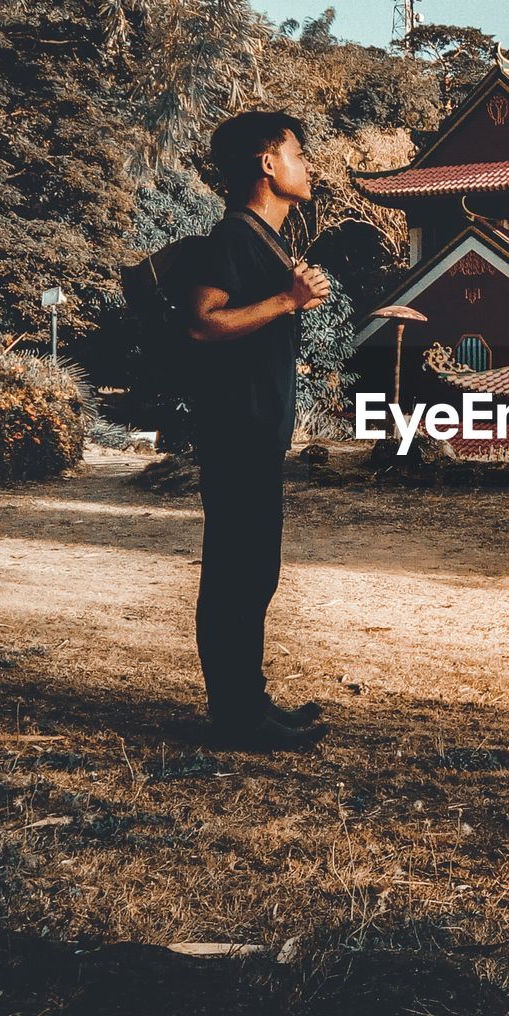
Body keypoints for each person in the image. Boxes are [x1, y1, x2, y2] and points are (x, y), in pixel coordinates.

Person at [188, 110, 330, 752]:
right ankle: (238, 717)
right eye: (297, 153)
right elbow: (202, 324)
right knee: (237, 572)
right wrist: (287, 301)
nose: (308, 166)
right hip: (236, 432)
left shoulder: (266, 241)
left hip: (256, 432)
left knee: (255, 570)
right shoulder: (233, 237)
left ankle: (249, 699)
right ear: (267, 164)